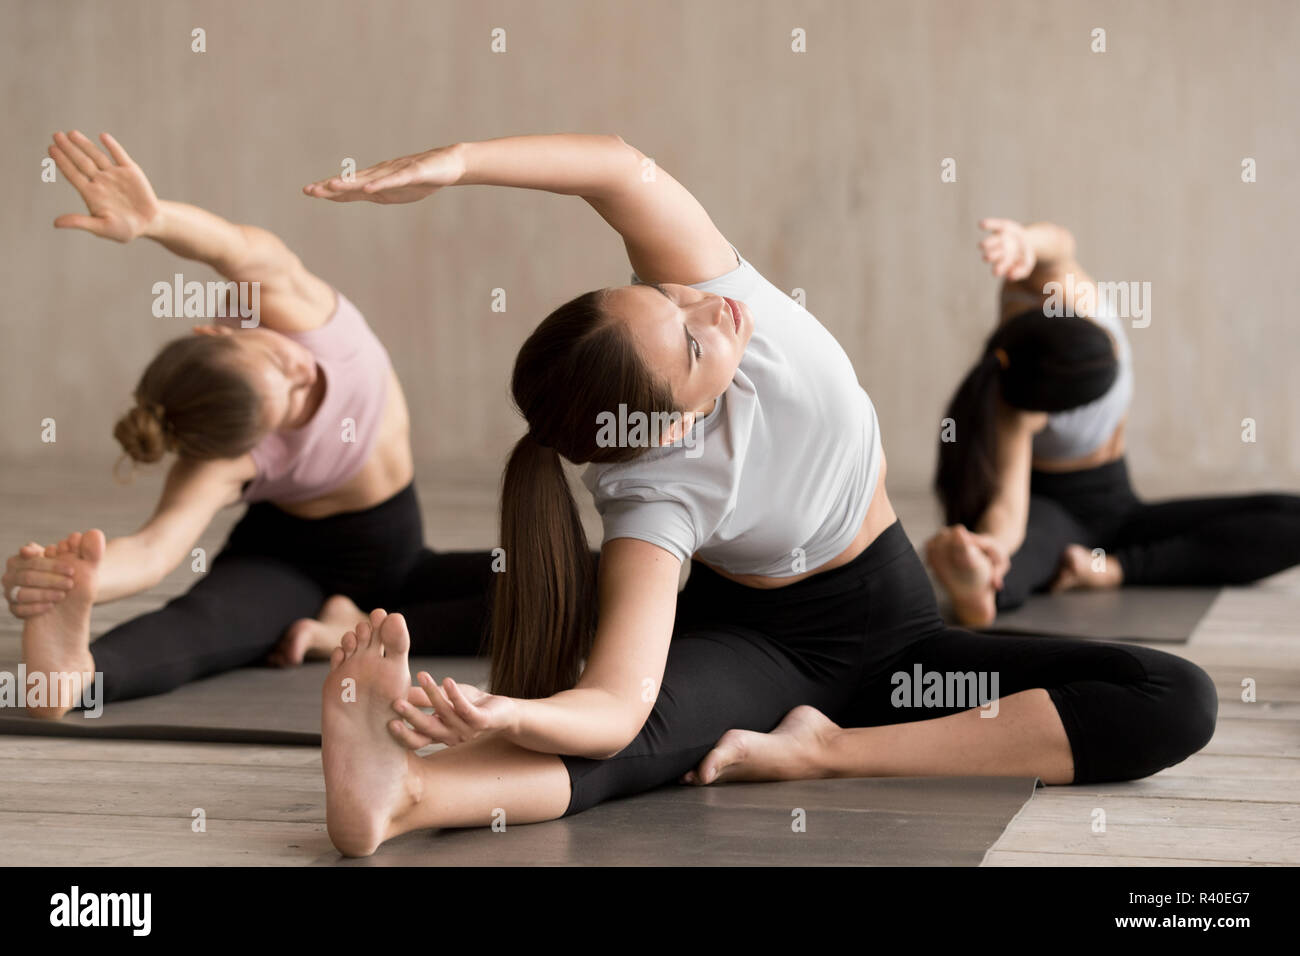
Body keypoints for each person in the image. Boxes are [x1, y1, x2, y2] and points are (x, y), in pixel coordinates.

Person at [300, 135, 1216, 858]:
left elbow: (615, 170)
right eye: (694, 347)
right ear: (662, 429)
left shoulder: (727, 304)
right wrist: (515, 713)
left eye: (669, 296)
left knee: (1172, 696)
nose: (713, 311)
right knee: (630, 746)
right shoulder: (652, 498)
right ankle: (406, 799)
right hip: (763, 648)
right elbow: (615, 707)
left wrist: (458, 165)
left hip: (901, 639)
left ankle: (827, 750)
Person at [5, 130, 494, 718]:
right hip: (282, 564)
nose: (300, 375)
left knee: (570, 591)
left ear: (218, 331)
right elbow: (155, 551)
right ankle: (71, 680)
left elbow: (232, 247)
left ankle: (337, 631)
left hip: (401, 561)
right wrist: (66, 582)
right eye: (284, 405)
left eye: (274, 359)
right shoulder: (221, 456)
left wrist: (155, 219)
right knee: (199, 629)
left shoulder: (292, 306)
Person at [926, 218, 1300, 627]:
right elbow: (1009, 509)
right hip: (1055, 513)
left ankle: (1111, 569)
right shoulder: (1017, 407)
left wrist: (1025, 242)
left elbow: (1061, 244)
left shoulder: (1049, 294)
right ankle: (978, 581)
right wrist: (990, 545)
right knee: (1009, 573)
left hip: (1120, 503)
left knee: (1290, 519)